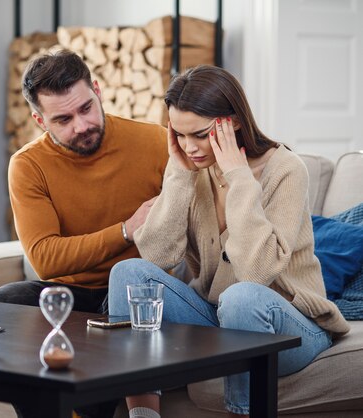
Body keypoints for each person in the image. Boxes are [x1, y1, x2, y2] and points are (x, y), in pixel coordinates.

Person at [107, 65, 350, 418]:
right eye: (179, 134)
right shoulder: (189, 167)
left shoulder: (286, 170)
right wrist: (177, 175)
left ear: (232, 121)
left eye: (200, 134)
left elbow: (256, 273)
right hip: (217, 319)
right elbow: (158, 255)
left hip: (289, 327)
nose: (189, 147)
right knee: (128, 273)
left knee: (241, 297)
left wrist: (238, 177)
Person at [0, 49, 168, 318]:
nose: (81, 126)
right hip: (68, 293)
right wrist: (125, 231)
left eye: (86, 108)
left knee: (128, 284)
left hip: (138, 286)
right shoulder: (28, 165)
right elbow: (45, 258)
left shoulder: (154, 141)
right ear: (40, 121)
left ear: (97, 91)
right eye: (63, 120)